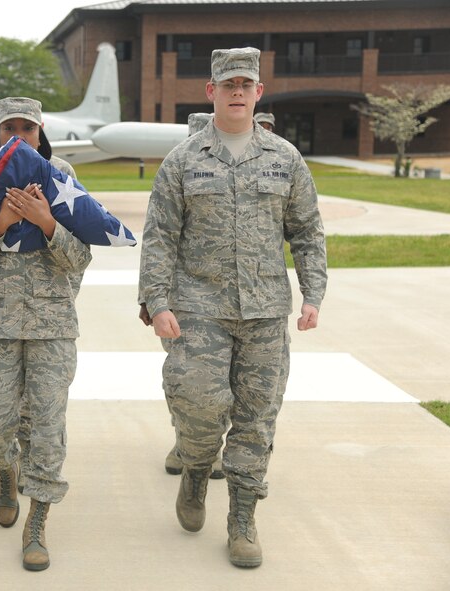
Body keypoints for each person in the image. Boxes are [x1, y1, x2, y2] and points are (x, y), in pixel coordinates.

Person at [138, 47, 327, 568]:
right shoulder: (183, 160)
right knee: (198, 402)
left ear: (258, 92)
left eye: (246, 84)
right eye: (229, 84)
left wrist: (313, 294)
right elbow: (159, 237)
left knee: (256, 417)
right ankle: (196, 469)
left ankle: (242, 518)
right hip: (198, 307)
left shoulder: (285, 158)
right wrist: (157, 301)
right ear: (212, 92)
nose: (238, 92)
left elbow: (307, 231)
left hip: (264, 310)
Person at [0, 96, 92, 572]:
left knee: (47, 426)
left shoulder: (61, 177)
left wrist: (45, 221)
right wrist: (1, 224)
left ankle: (37, 521)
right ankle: (4, 468)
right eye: (9, 128)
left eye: (27, 128)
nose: (18, 136)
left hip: (51, 325)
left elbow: (81, 257)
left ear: (40, 131)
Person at [138, 111, 227, 480]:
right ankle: (185, 439)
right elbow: (157, 237)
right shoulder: (178, 171)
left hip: (232, 298)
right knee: (187, 379)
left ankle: (213, 448)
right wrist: (151, 297)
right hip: (183, 297)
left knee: (226, 381)